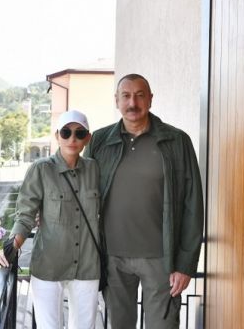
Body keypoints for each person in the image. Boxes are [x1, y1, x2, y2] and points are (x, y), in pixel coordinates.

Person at [85, 73, 204, 328]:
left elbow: (193, 205)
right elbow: (80, 191)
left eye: (140, 96)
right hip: (112, 259)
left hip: (162, 260)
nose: (133, 103)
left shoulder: (177, 141)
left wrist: (185, 265)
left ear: (150, 99)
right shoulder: (99, 142)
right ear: (116, 100)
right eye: (126, 96)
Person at [0, 110, 101, 329]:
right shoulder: (41, 169)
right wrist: (11, 246)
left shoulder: (95, 170)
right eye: (66, 132)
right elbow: (25, 214)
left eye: (79, 133)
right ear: (57, 136)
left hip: (87, 265)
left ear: (87, 138)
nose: (72, 138)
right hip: (48, 264)